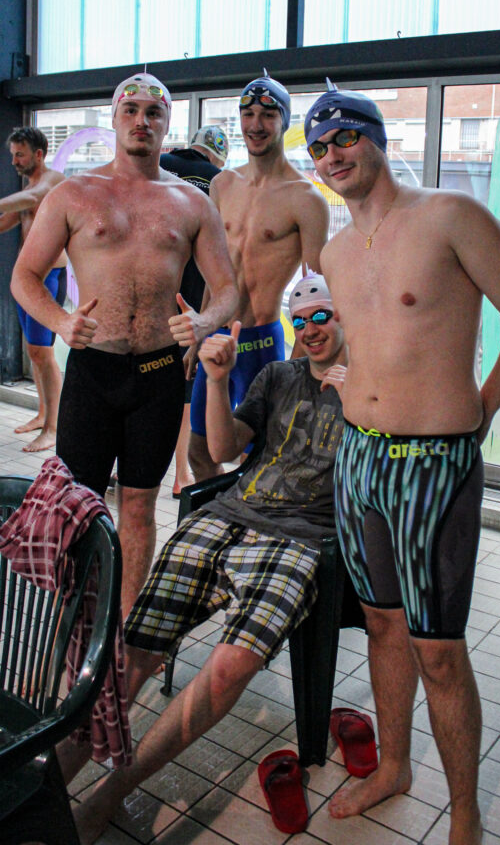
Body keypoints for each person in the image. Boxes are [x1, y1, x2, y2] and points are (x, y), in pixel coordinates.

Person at [303, 83, 500, 845]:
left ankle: (467, 816)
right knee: (381, 627)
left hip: (434, 464)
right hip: (361, 462)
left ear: (376, 137)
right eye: (318, 147)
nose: (332, 155)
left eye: (344, 137)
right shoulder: (335, 250)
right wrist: (333, 372)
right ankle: (393, 767)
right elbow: (372, 336)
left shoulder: (448, 216)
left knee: (438, 651)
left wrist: (479, 410)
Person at [69, 272, 347, 845]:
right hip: (228, 515)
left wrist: (366, 400)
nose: (311, 330)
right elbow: (222, 451)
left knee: (228, 667)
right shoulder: (277, 375)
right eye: (301, 321)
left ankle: (114, 791)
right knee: (136, 648)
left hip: (300, 538)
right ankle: (52, 779)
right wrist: (216, 381)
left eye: (323, 316)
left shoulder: (376, 387)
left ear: (349, 316)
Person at [11, 73, 238, 616]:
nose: (142, 121)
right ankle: (74, 618)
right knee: (78, 503)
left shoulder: (192, 202)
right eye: (131, 110)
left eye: (153, 113)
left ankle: (125, 629)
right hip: (93, 371)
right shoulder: (74, 194)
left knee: (138, 507)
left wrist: (205, 321)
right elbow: (25, 276)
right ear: (114, 119)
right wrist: (63, 323)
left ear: (166, 125)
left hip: (159, 375)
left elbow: (229, 290)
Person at [188, 70, 330, 482]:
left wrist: (300, 367)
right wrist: (198, 332)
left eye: (268, 114)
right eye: (248, 113)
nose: (256, 124)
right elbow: (216, 274)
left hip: (263, 344)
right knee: (201, 449)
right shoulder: (221, 184)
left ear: (284, 122)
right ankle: (216, 524)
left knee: (261, 456)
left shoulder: (306, 200)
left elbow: (315, 292)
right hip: (215, 339)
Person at [160, 125, 229, 496]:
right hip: (193, 293)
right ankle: (180, 475)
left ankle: (122, 470)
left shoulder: (160, 161)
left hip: (155, 287)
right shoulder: (220, 180)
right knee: (186, 386)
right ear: (217, 157)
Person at [0, 127, 66, 452]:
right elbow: (8, 219)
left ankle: (54, 427)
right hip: (27, 281)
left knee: (45, 354)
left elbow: (29, 200)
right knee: (34, 353)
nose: (14, 161)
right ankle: (42, 414)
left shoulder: (52, 182)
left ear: (38, 154)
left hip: (48, 279)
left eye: (19, 154)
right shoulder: (30, 186)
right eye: (13, 154)